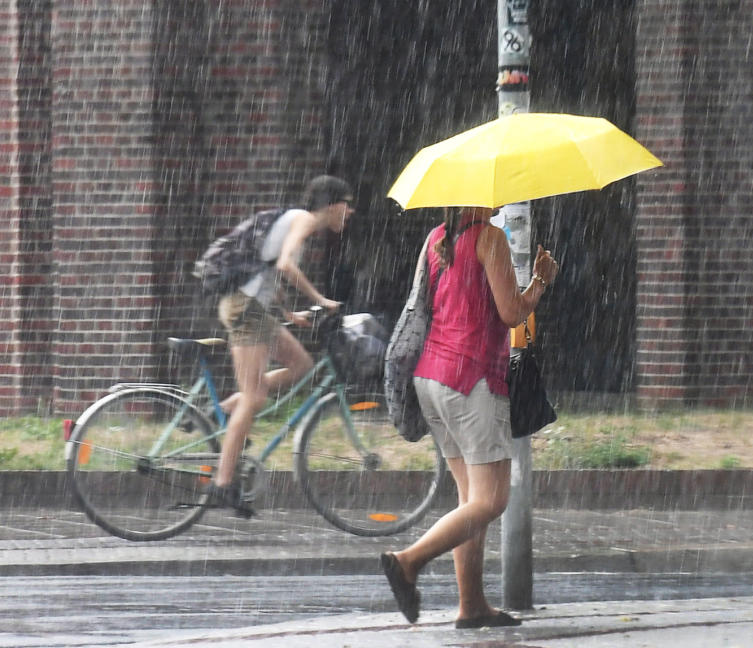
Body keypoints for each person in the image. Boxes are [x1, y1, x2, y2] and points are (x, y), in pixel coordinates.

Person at [380, 206, 559, 628]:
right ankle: (407, 561)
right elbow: (512, 313)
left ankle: (472, 605)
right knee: (491, 500)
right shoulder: (488, 238)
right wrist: (540, 281)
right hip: (472, 380)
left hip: (432, 378)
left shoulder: (437, 237)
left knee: (469, 502)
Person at [207, 175, 355, 516]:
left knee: (302, 367)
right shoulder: (303, 219)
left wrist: (289, 312)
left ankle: (227, 409)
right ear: (332, 205)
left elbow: (269, 270)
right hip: (246, 309)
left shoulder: (293, 222)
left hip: (254, 308)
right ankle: (223, 483)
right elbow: (285, 265)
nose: (350, 211)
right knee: (256, 396)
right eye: (347, 204)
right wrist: (321, 299)